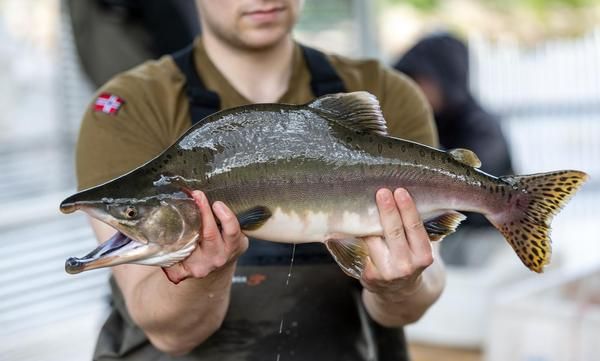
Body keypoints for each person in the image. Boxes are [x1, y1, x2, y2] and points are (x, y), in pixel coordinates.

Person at [75, 1, 445, 360]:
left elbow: (413, 304)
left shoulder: (388, 91)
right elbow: (168, 334)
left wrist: (400, 287)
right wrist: (206, 276)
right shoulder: (128, 106)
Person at [395, 33, 514, 235]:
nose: (412, 90)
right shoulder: (423, 122)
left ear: (445, 78)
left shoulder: (480, 127)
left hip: (483, 237)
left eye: (419, 80)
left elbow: (474, 181)